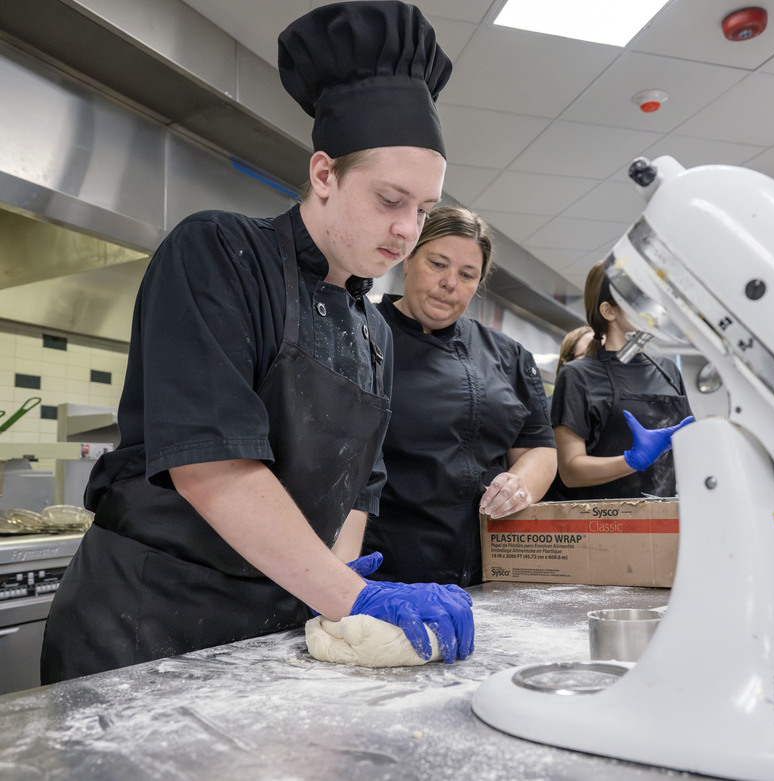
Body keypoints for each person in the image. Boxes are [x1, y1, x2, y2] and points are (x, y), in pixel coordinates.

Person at [40, 1, 473, 683]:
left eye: (423, 210)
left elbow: (360, 491)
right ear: (324, 174)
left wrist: (333, 605)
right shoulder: (218, 253)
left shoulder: (375, 332)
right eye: (391, 200)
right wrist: (351, 595)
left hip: (268, 630)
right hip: (145, 627)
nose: (406, 232)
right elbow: (212, 469)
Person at [361, 205, 557, 587]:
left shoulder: (508, 355)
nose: (450, 282)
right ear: (408, 259)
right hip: (385, 570)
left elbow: (538, 446)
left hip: (492, 573)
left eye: (467, 275)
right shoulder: (362, 332)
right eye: (437, 264)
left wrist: (520, 485)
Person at [549, 262, 693, 500]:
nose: (651, 306)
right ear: (608, 311)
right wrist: (632, 461)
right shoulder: (578, 375)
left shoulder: (668, 370)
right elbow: (570, 471)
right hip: (609, 523)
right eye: (637, 298)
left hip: (668, 518)